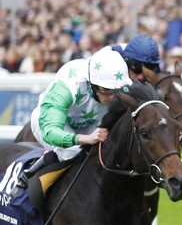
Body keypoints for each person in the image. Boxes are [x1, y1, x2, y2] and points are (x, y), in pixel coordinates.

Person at [13, 46, 132, 193]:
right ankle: (32, 175)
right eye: (106, 90)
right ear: (92, 83)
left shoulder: (116, 83)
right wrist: (85, 139)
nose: (112, 97)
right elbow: (51, 131)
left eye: (117, 91)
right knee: (72, 152)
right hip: (49, 123)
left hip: (89, 123)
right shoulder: (69, 85)